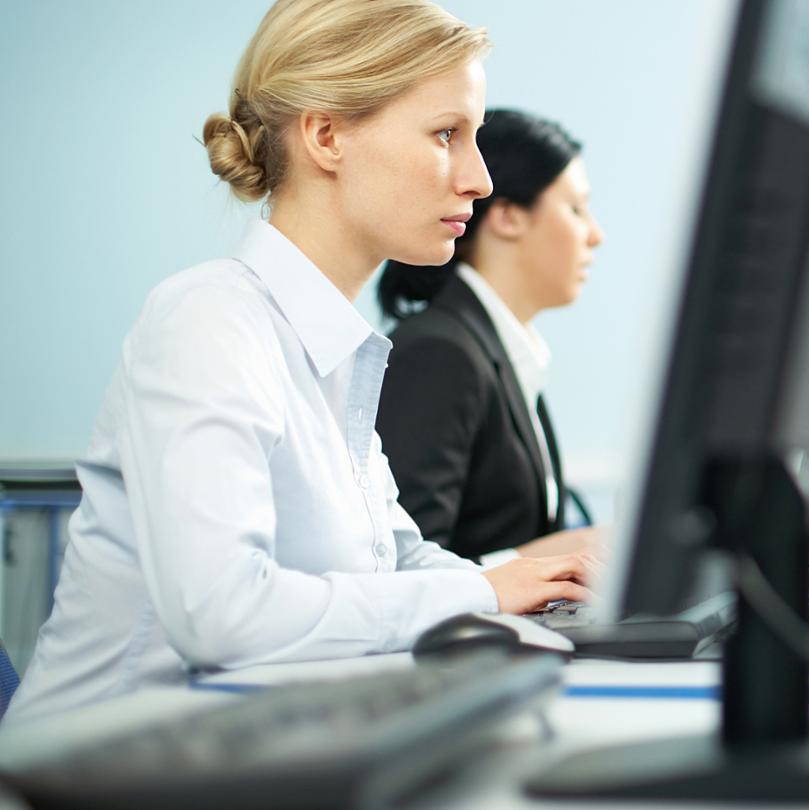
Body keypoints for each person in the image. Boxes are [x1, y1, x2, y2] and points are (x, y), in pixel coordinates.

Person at [7, 0, 597, 724]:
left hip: (239, 747)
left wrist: (527, 580)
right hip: (101, 765)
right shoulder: (209, 321)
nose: (477, 177)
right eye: (447, 134)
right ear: (324, 135)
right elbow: (224, 614)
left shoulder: (331, 349)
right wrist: (483, 591)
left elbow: (402, 562)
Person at [375, 109, 604, 565]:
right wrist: (543, 562)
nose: (594, 235)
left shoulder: (502, 352)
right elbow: (402, 570)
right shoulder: (440, 353)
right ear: (507, 217)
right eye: (576, 209)